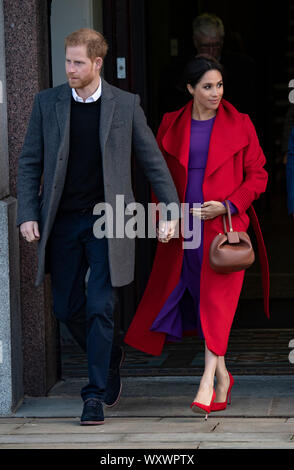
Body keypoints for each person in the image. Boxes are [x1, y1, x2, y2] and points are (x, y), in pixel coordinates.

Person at [17, 28, 180, 425]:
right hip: (63, 221)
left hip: (110, 220)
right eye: (67, 61)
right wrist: (27, 213)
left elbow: (152, 161)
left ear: (97, 63)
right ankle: (110, 355)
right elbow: (29, 163)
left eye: (76, 62)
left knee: (101, 305)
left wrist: (172, 211)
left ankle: (92, 395)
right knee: (65, 306)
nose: (69, 69)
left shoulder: (125, 105)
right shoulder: (47, 103)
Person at [124, 55, 269, 419]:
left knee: (216, 301)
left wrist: (229, 205)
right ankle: (223, 376)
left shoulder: (243, 124)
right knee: (199, 298)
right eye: (207, 87)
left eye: (220, 85)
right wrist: (164, 215)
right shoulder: (171, 123)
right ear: (189, 89)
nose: (216, 93)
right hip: (184, 227)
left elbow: (259, 176)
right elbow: (158, 175)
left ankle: (206, 380)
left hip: (223, 228)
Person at [160, 13, 257, 125]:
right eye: (205, 46)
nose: (211, 51)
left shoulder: (242, 65)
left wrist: (220, 72)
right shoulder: (178, 68)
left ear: (222, 41)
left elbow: (244, 102)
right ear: (195, 42)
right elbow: (173, 104)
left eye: (216, 45)